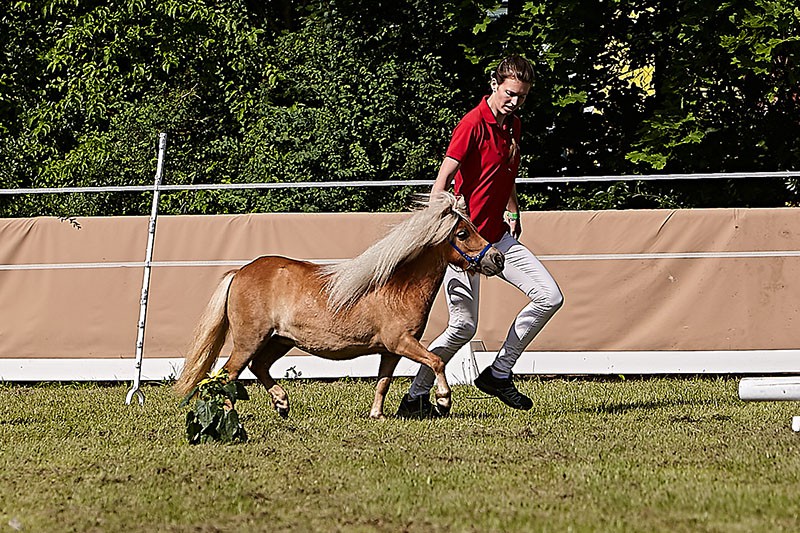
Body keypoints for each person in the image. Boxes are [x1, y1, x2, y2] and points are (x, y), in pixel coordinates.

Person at [396, 55, 563, 417]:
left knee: (549, 296)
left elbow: (504, 175)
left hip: (499, 238)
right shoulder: (471, 124)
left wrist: (513, 208)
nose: (514, 102)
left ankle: (499, 373)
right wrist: (442, 226)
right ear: (494, 84)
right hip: (466, 244)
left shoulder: (512, 126)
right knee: (464, 326)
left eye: (521, 96)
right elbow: (442, 181)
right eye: (509, 93)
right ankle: (415, 397)